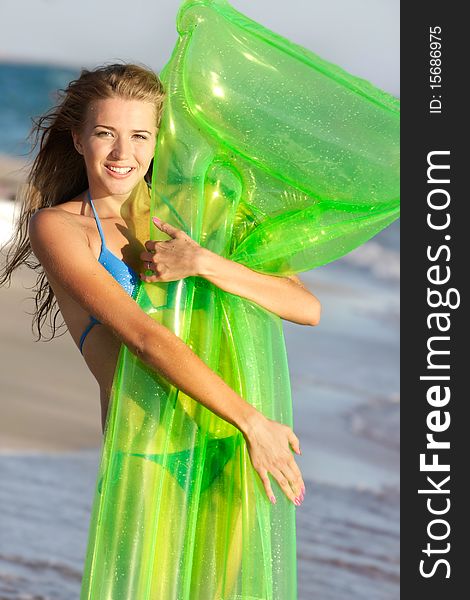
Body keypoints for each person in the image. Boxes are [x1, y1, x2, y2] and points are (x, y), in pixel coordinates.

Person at [0, 63, 321, 513]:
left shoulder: (199, 217)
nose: (120, 152)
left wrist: (203, 262)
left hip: (230, 441)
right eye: (105, 133)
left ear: (157, 141)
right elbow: (144, 338)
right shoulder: (61, 228)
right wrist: (253, 423)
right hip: (149, 450)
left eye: (139, 136)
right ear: (78, 139)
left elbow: (305, 307)